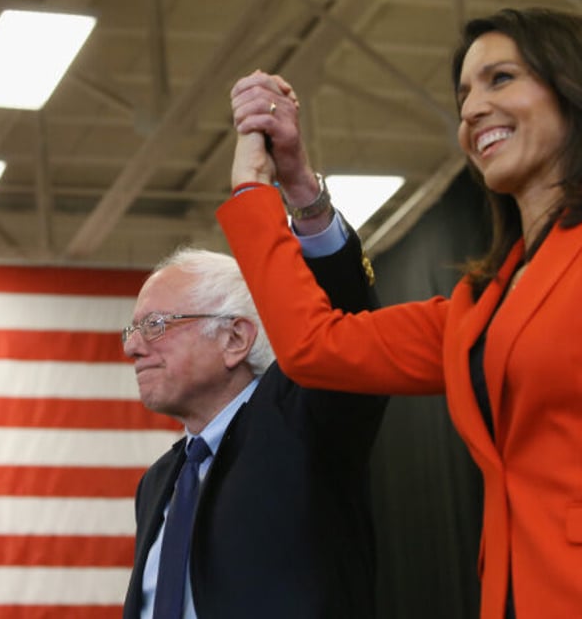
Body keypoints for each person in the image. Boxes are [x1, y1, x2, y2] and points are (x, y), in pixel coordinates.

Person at [219, 7, 582, 619]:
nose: (471, 109)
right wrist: (265, 188)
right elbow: (315, 346)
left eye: (501, 79)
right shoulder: (480, 305)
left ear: (580, 89)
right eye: (464, 92)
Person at [121, 220, 387, 613]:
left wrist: (311, 210)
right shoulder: (158, 482)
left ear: (235, 339)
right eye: (132, 329)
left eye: (155, 325)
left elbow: (349, 335)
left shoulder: (301, 423)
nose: (132, 346)